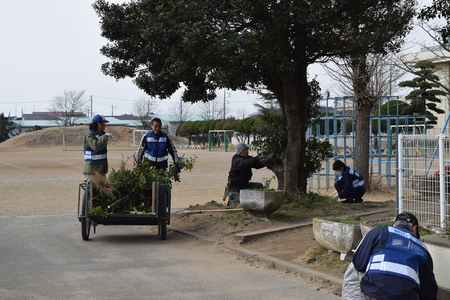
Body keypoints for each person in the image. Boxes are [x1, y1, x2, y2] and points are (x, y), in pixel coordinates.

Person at [346, 212, 438, 300]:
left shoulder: (380, 231)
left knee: (354, 266)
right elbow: (428, 288)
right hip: (406, 296)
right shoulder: (422, 249)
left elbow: (359, 263)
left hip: (375, 290)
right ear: (414, 228)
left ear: (394, 225)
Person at [83, 114, 112, 180]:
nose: (105, 125)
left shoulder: (101, 134)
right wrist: (105, 136)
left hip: (101, 170)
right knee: (92, 189)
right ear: (99, 124)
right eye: (104, 123)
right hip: (92, 170)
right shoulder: (90, 135)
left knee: (103, 189)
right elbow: (96, 147)